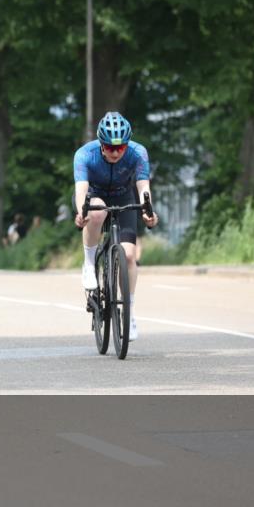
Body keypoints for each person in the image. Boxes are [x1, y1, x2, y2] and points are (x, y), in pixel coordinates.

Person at [73, 111, 159, 342]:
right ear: (101, 144)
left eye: (120, 148)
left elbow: (143, 187)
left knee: (129, 255)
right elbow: (81, 190)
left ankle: (128, 314)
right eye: (109, 147)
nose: (114, 152)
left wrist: (148, 211)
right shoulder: (85, 155)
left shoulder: (138, 153)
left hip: (123, 196)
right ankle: (89, 263)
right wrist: (82, 212)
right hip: (96, 196)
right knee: (98, 212)